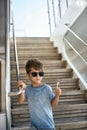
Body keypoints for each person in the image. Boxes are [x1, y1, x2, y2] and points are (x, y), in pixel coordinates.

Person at [16, 58, 61, 130]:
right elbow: (20, 101)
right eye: (34, 74)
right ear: (28, 75)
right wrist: (22, 90)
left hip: (48, 125)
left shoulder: (47, 88)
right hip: (34, 125)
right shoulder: (27, 89)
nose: (38, 77)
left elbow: (53, 105)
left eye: (41, 74)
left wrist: (57, 96)